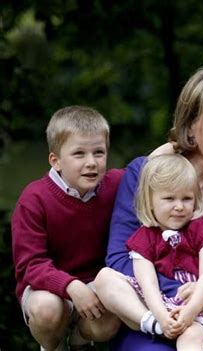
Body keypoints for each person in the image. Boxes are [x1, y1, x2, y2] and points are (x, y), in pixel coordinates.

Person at [95, 66, 203, 351]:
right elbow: (119, 259)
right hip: (148, 312)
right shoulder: (145, 175)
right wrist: (179, 298)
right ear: (192, 125)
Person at [97, 154, 203, 351]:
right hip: (158, 310)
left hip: (199, 308)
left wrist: (190, 312)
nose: (179, 206)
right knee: (104, 278)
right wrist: (162, 317)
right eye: (169, 199)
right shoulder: (143, 238)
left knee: (189, 338)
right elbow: (148, 284)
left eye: (187, 199)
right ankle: (153, 324)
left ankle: (171, 328)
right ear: (150, 201)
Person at [11, 106, 123, 351]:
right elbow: (31, 264)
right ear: (56, 160)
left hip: (95, 284)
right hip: (49, 290)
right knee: (46, 309)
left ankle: (80, 341)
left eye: (99, 152)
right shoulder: (34, 198)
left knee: (117, 310)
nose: (91, 163)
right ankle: (54, 346)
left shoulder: (116, 185)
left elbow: (149, 167)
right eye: (79, 154)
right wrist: (71, 287)